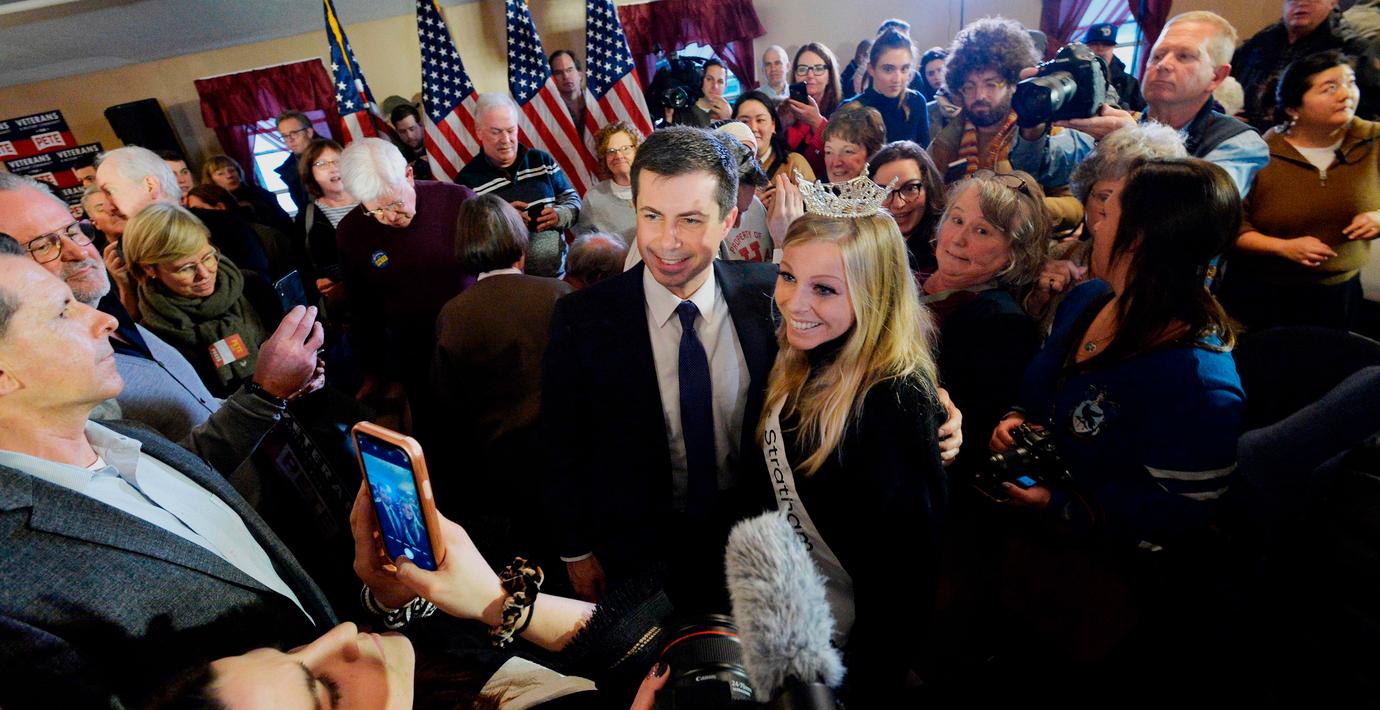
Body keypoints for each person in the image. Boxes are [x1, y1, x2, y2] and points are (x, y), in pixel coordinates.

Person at [0, 245, 335, 708]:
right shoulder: (11, 582)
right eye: (62, 312)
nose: (106, 320)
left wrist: (378, 598)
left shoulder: (129, 436)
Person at [985, 159, 1244, 697]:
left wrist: (1061, 504)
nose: (1093, 223)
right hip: (1029, 553)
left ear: (1141, 239)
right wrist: (1017, 418)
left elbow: (1183, 513)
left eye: (1108, 212)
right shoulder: (1089, 299)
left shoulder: (1198, 381)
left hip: (1106, 589)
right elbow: (1041, 391)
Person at [539, 126, 780, 606]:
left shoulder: (770, 297)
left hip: (756, 544)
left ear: (729, 219)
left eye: (690, 219)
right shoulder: (581, 318)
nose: (667, 242)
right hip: (634, 552)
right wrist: (576, 550)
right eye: (652, 216)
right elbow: (561, 442)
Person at [759, 178, 947, 703]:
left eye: (824, 289)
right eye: (788, 276)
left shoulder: (895, 398)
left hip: (848, 651)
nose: (794, 302)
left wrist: (862, 687)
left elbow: (905, 577)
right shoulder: (798, 356)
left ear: (873, 293)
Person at [0, 174, 320, 479]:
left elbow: (199, 409)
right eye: (42, 246)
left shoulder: (113, 313)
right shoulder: (46, 374)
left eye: (72, 231)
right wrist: (263, 394)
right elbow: (156, 483)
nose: (77, 252)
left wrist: (276, 388)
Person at [431, 195, 573, 561]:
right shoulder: (558, 295)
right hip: (570, 454)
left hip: (503, 467)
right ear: (520, 242)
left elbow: (449, 404)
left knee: (535, 554)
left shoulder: (452, 315)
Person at [1012, 12, 1269, 200]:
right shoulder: (1121, 121)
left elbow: (1204, 206)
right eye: (1157, 55)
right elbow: (1038, 167)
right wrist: (1033, 118)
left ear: (1217, 76)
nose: (1163, 65)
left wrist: (1133, 143)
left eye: (1184, 56)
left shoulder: (1239, 142)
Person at [1222, 50, 1380, 332]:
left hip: (1339, 294)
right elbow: (1232, 227)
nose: (1346, 94)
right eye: (1330, 88)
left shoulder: (1373, 141)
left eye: (1350, 82)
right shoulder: (1259, 152)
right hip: (1260, 292)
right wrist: (1283, 248)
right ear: (1293, 108)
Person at [335, 137, 473, 428]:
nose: (389, 217)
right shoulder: (351, 231)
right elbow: (362, 309)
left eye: (395, 203)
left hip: (474, 339)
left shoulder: (458, 200)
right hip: (416, 354)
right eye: (375, 210)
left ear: (409, 174)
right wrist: (373, 371)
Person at [919, 170, 1045, 474]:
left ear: (1013, 253)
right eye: (956, 219)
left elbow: (965, 437)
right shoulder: (909, 274)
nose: (958, 239)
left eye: (982, 231)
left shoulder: (1003, 324)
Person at [1024, 123, 1187, 323]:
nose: (1112, 210)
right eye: (1104, 197)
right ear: (1085, 195)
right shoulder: (1062, 255)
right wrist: (1039, 300)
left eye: (1129, 202)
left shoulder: (1167, 281)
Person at [121, 202, 285, 397]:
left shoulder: (252, 286)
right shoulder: (154, 337)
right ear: (149, 268)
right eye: (186, 268)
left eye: (208, 257)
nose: (204, 274)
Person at [98, 146, 271, 287]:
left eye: (109, 192)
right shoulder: (125, 249)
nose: (106, 207)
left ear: (150, 185)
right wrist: (125, 286)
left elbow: (258, 288)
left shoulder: (224, 225)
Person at [456, 93, 581, 278]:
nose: (505, 139)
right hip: (506, 284)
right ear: (479, 132)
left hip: (558, 278)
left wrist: (559, 215)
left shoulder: (542, 161)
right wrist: (505, 220)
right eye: (496, 132)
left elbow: (574, 201)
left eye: (510, 130)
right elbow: (469, 239)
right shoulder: (466, 181)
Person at [1233, 0, 1380, 132]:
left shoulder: (1355, 52)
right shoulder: (1260, 42)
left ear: (1333, 2)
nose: (1301, 3)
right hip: (1249, 136)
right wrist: (1226, 115)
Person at [930, 17, 1041, 181]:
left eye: (991, 85)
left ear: (1012, 84)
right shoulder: (946, 141)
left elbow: (1068, 194)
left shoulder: (1035, 132)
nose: (979, 95)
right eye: (969, 87)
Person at [295, 138, 358, 312]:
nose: (333, 168)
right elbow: (302, 263)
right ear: (310, 173)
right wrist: (317, 279)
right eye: (322, 164)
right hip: (347, 302)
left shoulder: (372, 200)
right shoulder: (307, 217)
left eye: (337, 161)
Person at [842, 28, 932, 147]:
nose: (897, 79)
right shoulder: (850, 110)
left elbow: (924, 153)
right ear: (871, 69)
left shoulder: (916, 102)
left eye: (904, 69)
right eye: (888, 69)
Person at [868, 140, 947, 272]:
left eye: (910, 188)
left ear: (929, 188)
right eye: (884, 192)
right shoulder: (859, 248)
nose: (898, 204)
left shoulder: (944, 254)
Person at [734, 90, 816, 213]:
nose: (753, 128)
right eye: (744, 121)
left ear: (773, 125)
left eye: (760, 120)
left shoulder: (794, 164)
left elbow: (815, 213)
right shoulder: (726, 169)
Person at [781, 42, 844, 177]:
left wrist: (817, 123)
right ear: (795, 75)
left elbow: (842, 159)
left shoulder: (844, 112)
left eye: (818, 69)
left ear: (829, 76)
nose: (810, 75)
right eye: (802, 69)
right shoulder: (785, 110)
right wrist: (780, 126)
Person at [574, 121, 641, 243]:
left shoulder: (657, 188)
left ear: (637, 151)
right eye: (611, 151)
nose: (618, 156)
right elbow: (585, 245)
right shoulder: (593, 198)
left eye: (625, 149)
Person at [200, 153, 294, 234]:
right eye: (220, 173)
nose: (229, 175)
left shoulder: (260, 193)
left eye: (232, 170)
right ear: (211, 179)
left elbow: (284, 221)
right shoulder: (213, 205)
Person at [1083, 22, 1146, 112]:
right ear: (1086, 46)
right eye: (1095, 43)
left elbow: (1143, 115)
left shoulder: (1130, 83)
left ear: (1114, 46)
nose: (1100, 48)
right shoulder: (1073, 77)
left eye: (1106, 44)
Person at [822, 105, 886, 184]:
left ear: (873, 154)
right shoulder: (815, 189)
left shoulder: (890, 190)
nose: (836, 163)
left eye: (848, 151)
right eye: (829, 152)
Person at [275, 111, 315, 210]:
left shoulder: (335, 155)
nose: (290, 140)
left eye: (294, 133)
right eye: (285, 136)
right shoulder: (288, 170)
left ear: (309, 133)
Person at [388, 103, 435, 181]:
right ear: (397, 132)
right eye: (402, 132)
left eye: (412, 129)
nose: (409, 136)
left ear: (421, 125)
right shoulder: (398, 156)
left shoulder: (437, 144)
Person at [550, 49, 589, 136]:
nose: (566, 76)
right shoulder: (549, 112)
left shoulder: (596, 102)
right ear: (552, 79)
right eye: (558, 73)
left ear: (580, 74)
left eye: (569, 70)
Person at [692, 58, 733, 124]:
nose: (715, 86)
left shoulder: (734, 111)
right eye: (709, 79)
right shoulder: (687, 111)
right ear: (701, 81)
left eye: (720, 81)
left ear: (725, 86)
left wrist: (728, 119)